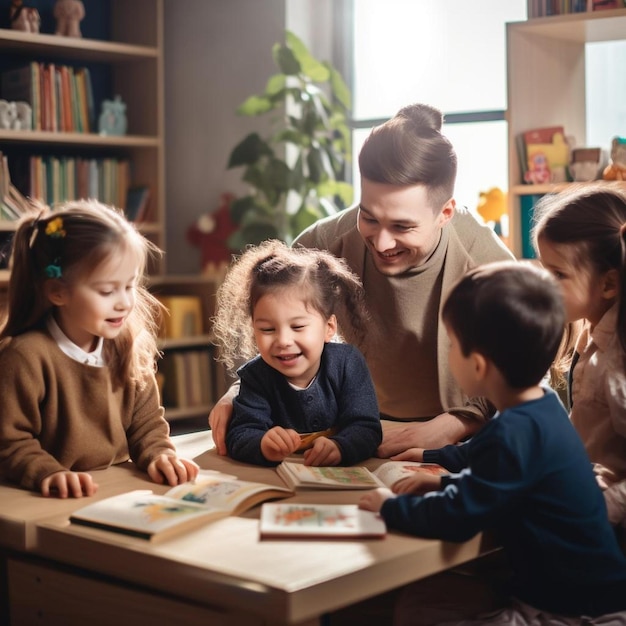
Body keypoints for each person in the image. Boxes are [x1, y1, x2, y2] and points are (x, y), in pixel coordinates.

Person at [209, 102, 514, 458]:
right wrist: (241, 392)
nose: (382, 243)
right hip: (351, 429)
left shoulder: (485, 259)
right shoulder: (325, 242)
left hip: (456, 438)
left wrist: (459, 422)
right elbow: (279, 318)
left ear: (445, 212)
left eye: (402, 226)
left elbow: (529, 359)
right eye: (368, 217)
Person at [358, 261, 626, 625]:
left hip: (569, 614)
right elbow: (501, 476)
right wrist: (438, 473)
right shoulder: (542, 405)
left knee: (419, 610)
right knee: (423, 599)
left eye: (452, 345)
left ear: (479, 366)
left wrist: (389, 507)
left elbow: (458, 517)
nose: (449, 356)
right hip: (586, 598)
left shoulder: (513, 432)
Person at [0, 200, 199, 498]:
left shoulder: (127, 344)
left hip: (116, 491)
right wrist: (48, 472)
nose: (124, 302)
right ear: (58, 292)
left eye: (130, 286)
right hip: (49, 501)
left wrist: (160, 455)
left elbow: (146, 424)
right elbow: (10, 441)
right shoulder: (26, 356)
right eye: (107, 291)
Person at [211, 239, 381, 466]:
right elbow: (240, 435)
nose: (283, 341)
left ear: (329, 328)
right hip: (276, 478)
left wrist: (341, 447)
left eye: (298, 327)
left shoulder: (348, 363)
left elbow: (366, 427)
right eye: (267, 329)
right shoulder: (255, 377)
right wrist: (263, 444)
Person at [533, 182, 626, 532]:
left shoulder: (615, 363)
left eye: (557, 275)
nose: (544, 284)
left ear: (608, 284)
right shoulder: (589, 333)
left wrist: (598, 510)